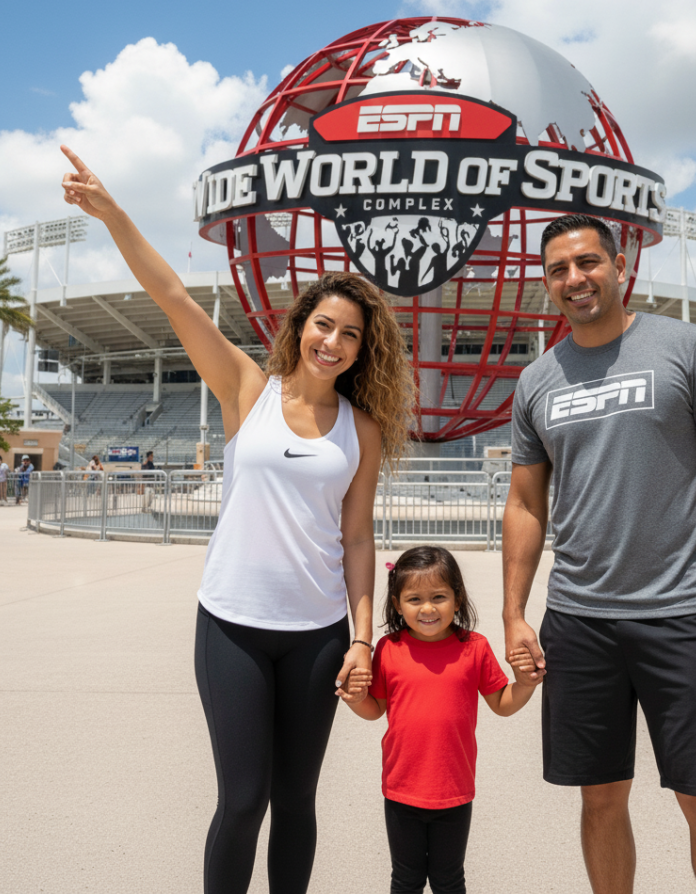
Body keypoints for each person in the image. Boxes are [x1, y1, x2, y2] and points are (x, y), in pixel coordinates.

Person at [60, 145, 415, 894]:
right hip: (233, 625)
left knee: (297, 801)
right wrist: (113, 214)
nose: (332, 343)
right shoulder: (249, 390)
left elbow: (358, 538)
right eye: (324, 325)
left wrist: (361, 638)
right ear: (301, 325)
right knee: (244, 799)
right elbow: (173, 299)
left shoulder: (363, 428)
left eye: (350, 334)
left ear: (364, 348)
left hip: (319, 633)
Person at [503, 214, 696, 894]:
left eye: (588, 262)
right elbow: (525, 504)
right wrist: (514, 614)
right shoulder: (537, 380)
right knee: (599, 799)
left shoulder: (686, 348)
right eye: (558, 270)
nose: (575, 278)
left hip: (681, 615)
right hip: (579, 620)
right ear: (547, 284)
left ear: (620, 267)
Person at [345, 545, 542, 894]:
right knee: (405, 879)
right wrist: (356, 699)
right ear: (397, 604)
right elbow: (375, 710)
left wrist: (525, 684)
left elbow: (502, 703)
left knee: (449, 880)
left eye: (439, 596)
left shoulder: (475, 647)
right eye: (414, 599)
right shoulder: (389, 649)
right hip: (401, 788)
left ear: (458, 598)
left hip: (454, 789)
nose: (428, 608)